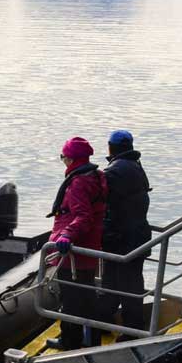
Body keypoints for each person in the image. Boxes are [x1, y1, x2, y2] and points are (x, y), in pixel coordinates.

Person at [47, 137, 108, 350]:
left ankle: (70, 342)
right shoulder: (96, 176)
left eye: (63, 157)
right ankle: (91, 340)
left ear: (70, 158)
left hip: (75, 252)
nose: (63, 161)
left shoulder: (78, 182)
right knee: (86, 297)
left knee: (71, 299)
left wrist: (67, 235)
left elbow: (83, 216)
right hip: (89, 247)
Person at [100, 130, 152, 339]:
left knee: (121, 283)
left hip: (121, 238)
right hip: (138, 234)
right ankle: (105, 319)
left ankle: (130, 329)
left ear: (111, 147)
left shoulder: (114, 171)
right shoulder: (136, 166)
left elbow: (108, 205)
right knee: (125, 282)